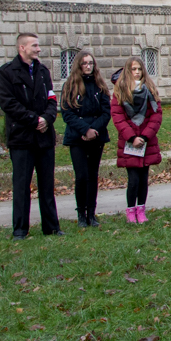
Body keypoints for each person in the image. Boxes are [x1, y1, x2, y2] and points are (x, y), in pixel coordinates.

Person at [0, 33, 61, 240]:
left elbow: (52, 98)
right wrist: (34, 120)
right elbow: (8, 104)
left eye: (38, 45)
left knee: (47, 185)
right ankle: (20, 230)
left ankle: (51, 227)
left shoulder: (43, 71)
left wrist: (47, 119)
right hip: (22, 138)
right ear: (22, 48)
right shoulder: (6, 73)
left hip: (44, 137)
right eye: (34, 45)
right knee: (21, 185)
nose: (38, 49)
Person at [59, 50, 111, 228]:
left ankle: (91, 213)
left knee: (92, 176)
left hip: (96, 135)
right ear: (78, 66)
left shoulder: (100, 85)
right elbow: (67, 113)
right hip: (77, 136)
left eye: (90, 63)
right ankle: (81, 214)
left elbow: (106, 112)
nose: (88, 66)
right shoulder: (70, 86)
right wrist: (85, 129)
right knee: (81, 176)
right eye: (85, 63)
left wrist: (94, 129)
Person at [110, 56, 163, 223]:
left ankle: (141, 210)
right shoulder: (120, 90)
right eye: (134, 69)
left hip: (146, 141)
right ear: (128, 71)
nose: (137, 72)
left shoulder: (150, 89)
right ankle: (130, 211)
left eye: (139, 69)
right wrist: (132, 137)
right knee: (133, 180)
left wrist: (145, 136)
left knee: (143, 180)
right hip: (129, 142)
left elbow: (156, 115)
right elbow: (118, 117)